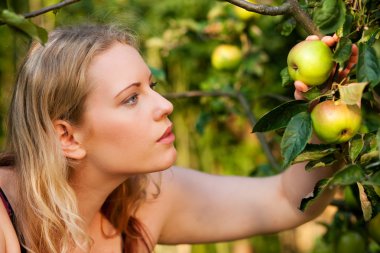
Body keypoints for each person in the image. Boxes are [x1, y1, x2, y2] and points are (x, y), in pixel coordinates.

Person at [0, 23, 357, 253]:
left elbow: (286, 201)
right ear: (67, 137)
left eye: (152, 86)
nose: (165, 105)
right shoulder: (6, 223)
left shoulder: (143, 198)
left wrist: (321, 108)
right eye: (131, 98)